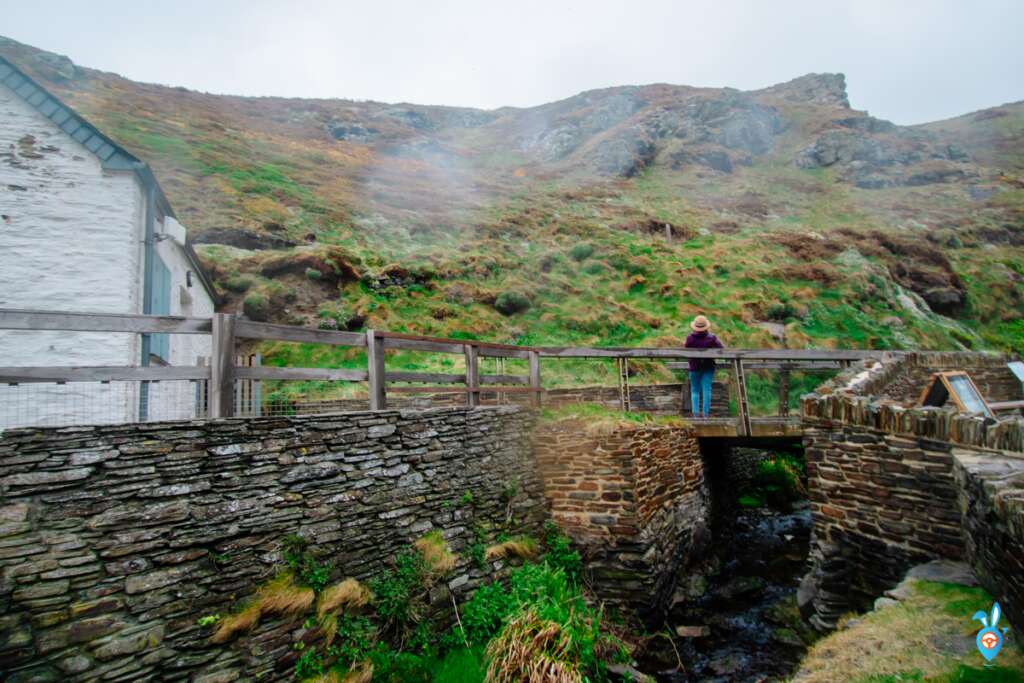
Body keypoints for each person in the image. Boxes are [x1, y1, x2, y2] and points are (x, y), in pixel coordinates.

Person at [685, 315, 723, 418]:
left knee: (695, 390)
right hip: (708, 366)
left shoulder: (690, 338)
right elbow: (721, 349)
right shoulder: (712, 338)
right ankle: (705, 415)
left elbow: (686, 349)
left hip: (694, 367)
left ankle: (696, 415)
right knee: (707, 390)